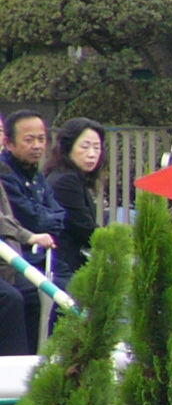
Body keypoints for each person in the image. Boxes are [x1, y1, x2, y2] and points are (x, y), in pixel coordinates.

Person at [0, 110, 65, 283]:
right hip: (18, 256)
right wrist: (45, 220)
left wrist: (46, 219)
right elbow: (31, 220)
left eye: (41, 139)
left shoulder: (36, 173)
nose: (37, 146)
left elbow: (59, 216)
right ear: (9, 143)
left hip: (43, 254)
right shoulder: (5, 173)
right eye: (29, 140)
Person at [44, 117, 105, 281]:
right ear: (68, 148)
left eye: (97, 148)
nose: (92, 154)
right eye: (85, 147)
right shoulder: (65, 181)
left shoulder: (73, 178)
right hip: (65, 267)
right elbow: (85, 229)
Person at [0, 180, 45, 354]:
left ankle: (32, 361)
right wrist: (26, 236)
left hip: (7, 262)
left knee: (34, 293)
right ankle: (11, 370)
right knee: (9, 298)